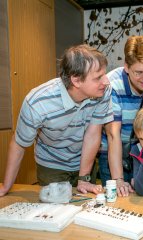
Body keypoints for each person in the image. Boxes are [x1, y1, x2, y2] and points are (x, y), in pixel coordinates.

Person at [0, 44, 113, 197]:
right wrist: (6, 186)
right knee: (55, 213)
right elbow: (19, 144)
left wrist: (84, 178)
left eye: (104, 74)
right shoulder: (37, 103)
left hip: (85, 161)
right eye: (98, 77)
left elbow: (93, 135)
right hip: (52, 164)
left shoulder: (103, 91)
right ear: (76, 80)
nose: (106, 81)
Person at [99, 36, 143, 197]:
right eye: (139, 72)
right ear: (126, 67)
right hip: (112, 154)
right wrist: (118, 179)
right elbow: (113, 134)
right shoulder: (112, 86)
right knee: (117, 199)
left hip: (140, 151)